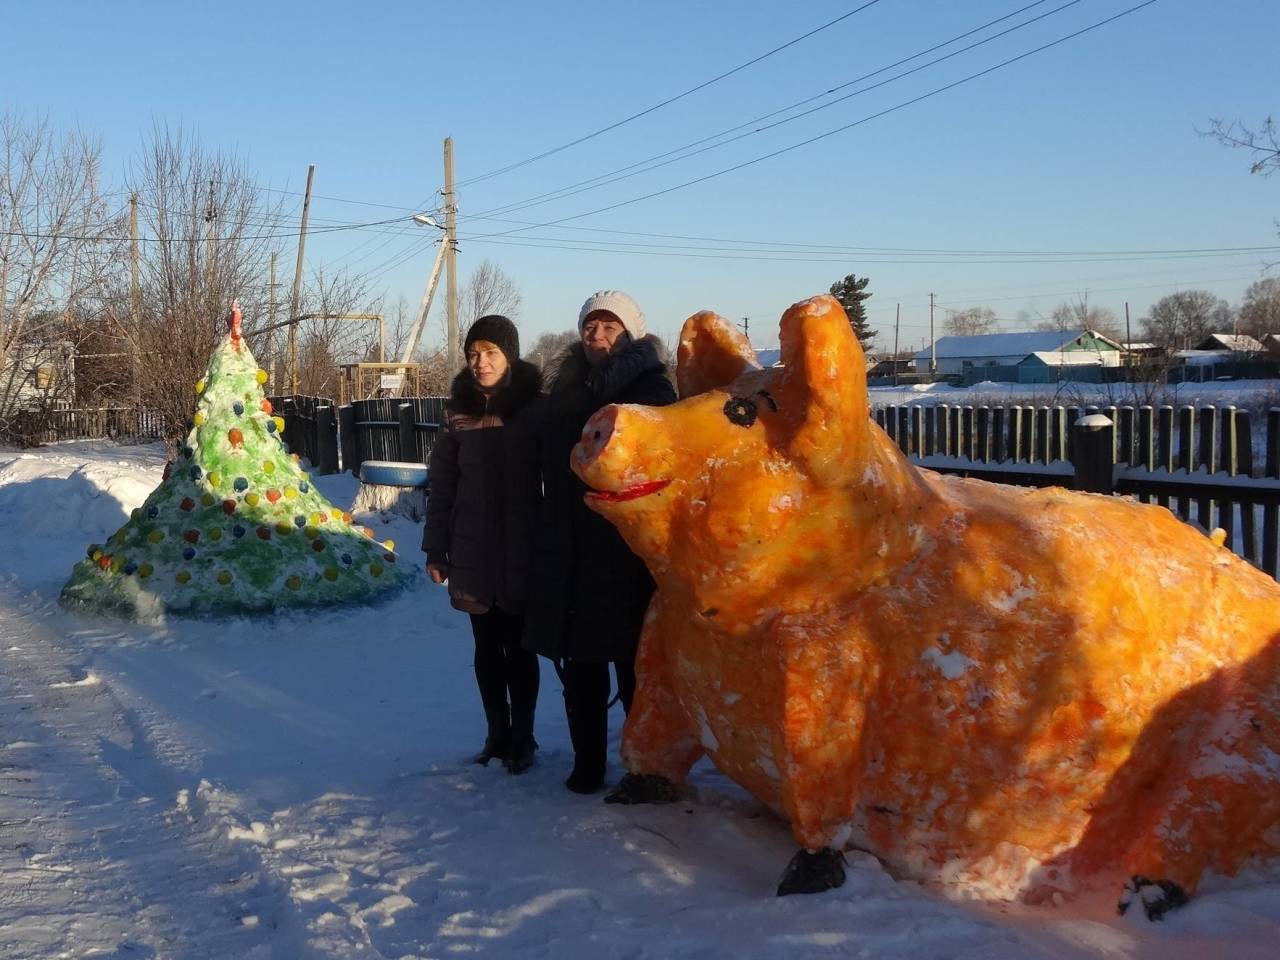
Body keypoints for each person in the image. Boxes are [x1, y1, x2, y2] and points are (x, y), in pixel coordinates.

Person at [524, 290, 677, 793]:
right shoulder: (565, 390)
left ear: (630, 332)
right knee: (581, 662)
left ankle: (645, 766)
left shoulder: (653, 392)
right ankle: (588, 761)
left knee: (635, 666)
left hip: (628, 548)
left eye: (610, 327)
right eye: (591, 326)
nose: (598, 336)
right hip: (571, 544)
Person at [423, 314, 545, 773]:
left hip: (522, 548)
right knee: (485, 647)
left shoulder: (537, 410)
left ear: (509, 355)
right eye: (474, 353)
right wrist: (436, 549)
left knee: (520, 647)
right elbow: (444, 485)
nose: (480, 362)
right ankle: (496, 733)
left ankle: (524, 737)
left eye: (490, 352)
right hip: (472, 549)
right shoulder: (457, 413)